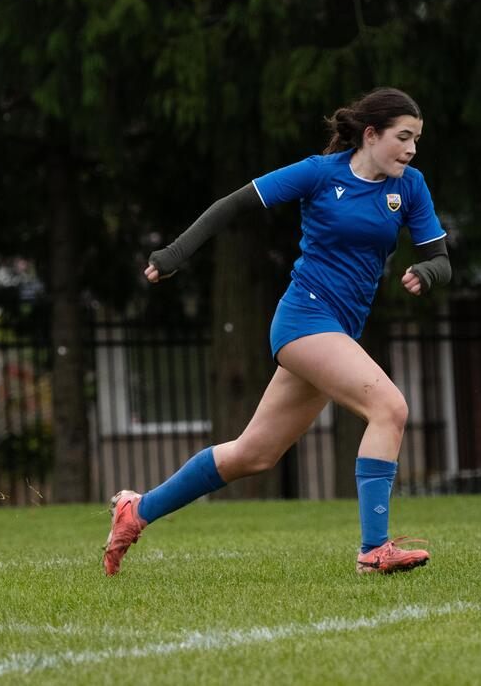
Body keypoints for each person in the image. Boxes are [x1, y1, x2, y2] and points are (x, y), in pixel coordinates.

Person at [103, 87, 451, 576]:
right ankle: (374, 550)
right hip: (304, 319)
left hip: (338, 331)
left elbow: (440, 258)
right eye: (403, 137)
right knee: (389, 408)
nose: (412, 149)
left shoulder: (410, 186)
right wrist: (176, 254)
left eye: (417, 139)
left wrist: (428, 273)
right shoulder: (319, 172)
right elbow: (234, 203)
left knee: (254, 453)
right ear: (371, 135)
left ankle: (135, 512)